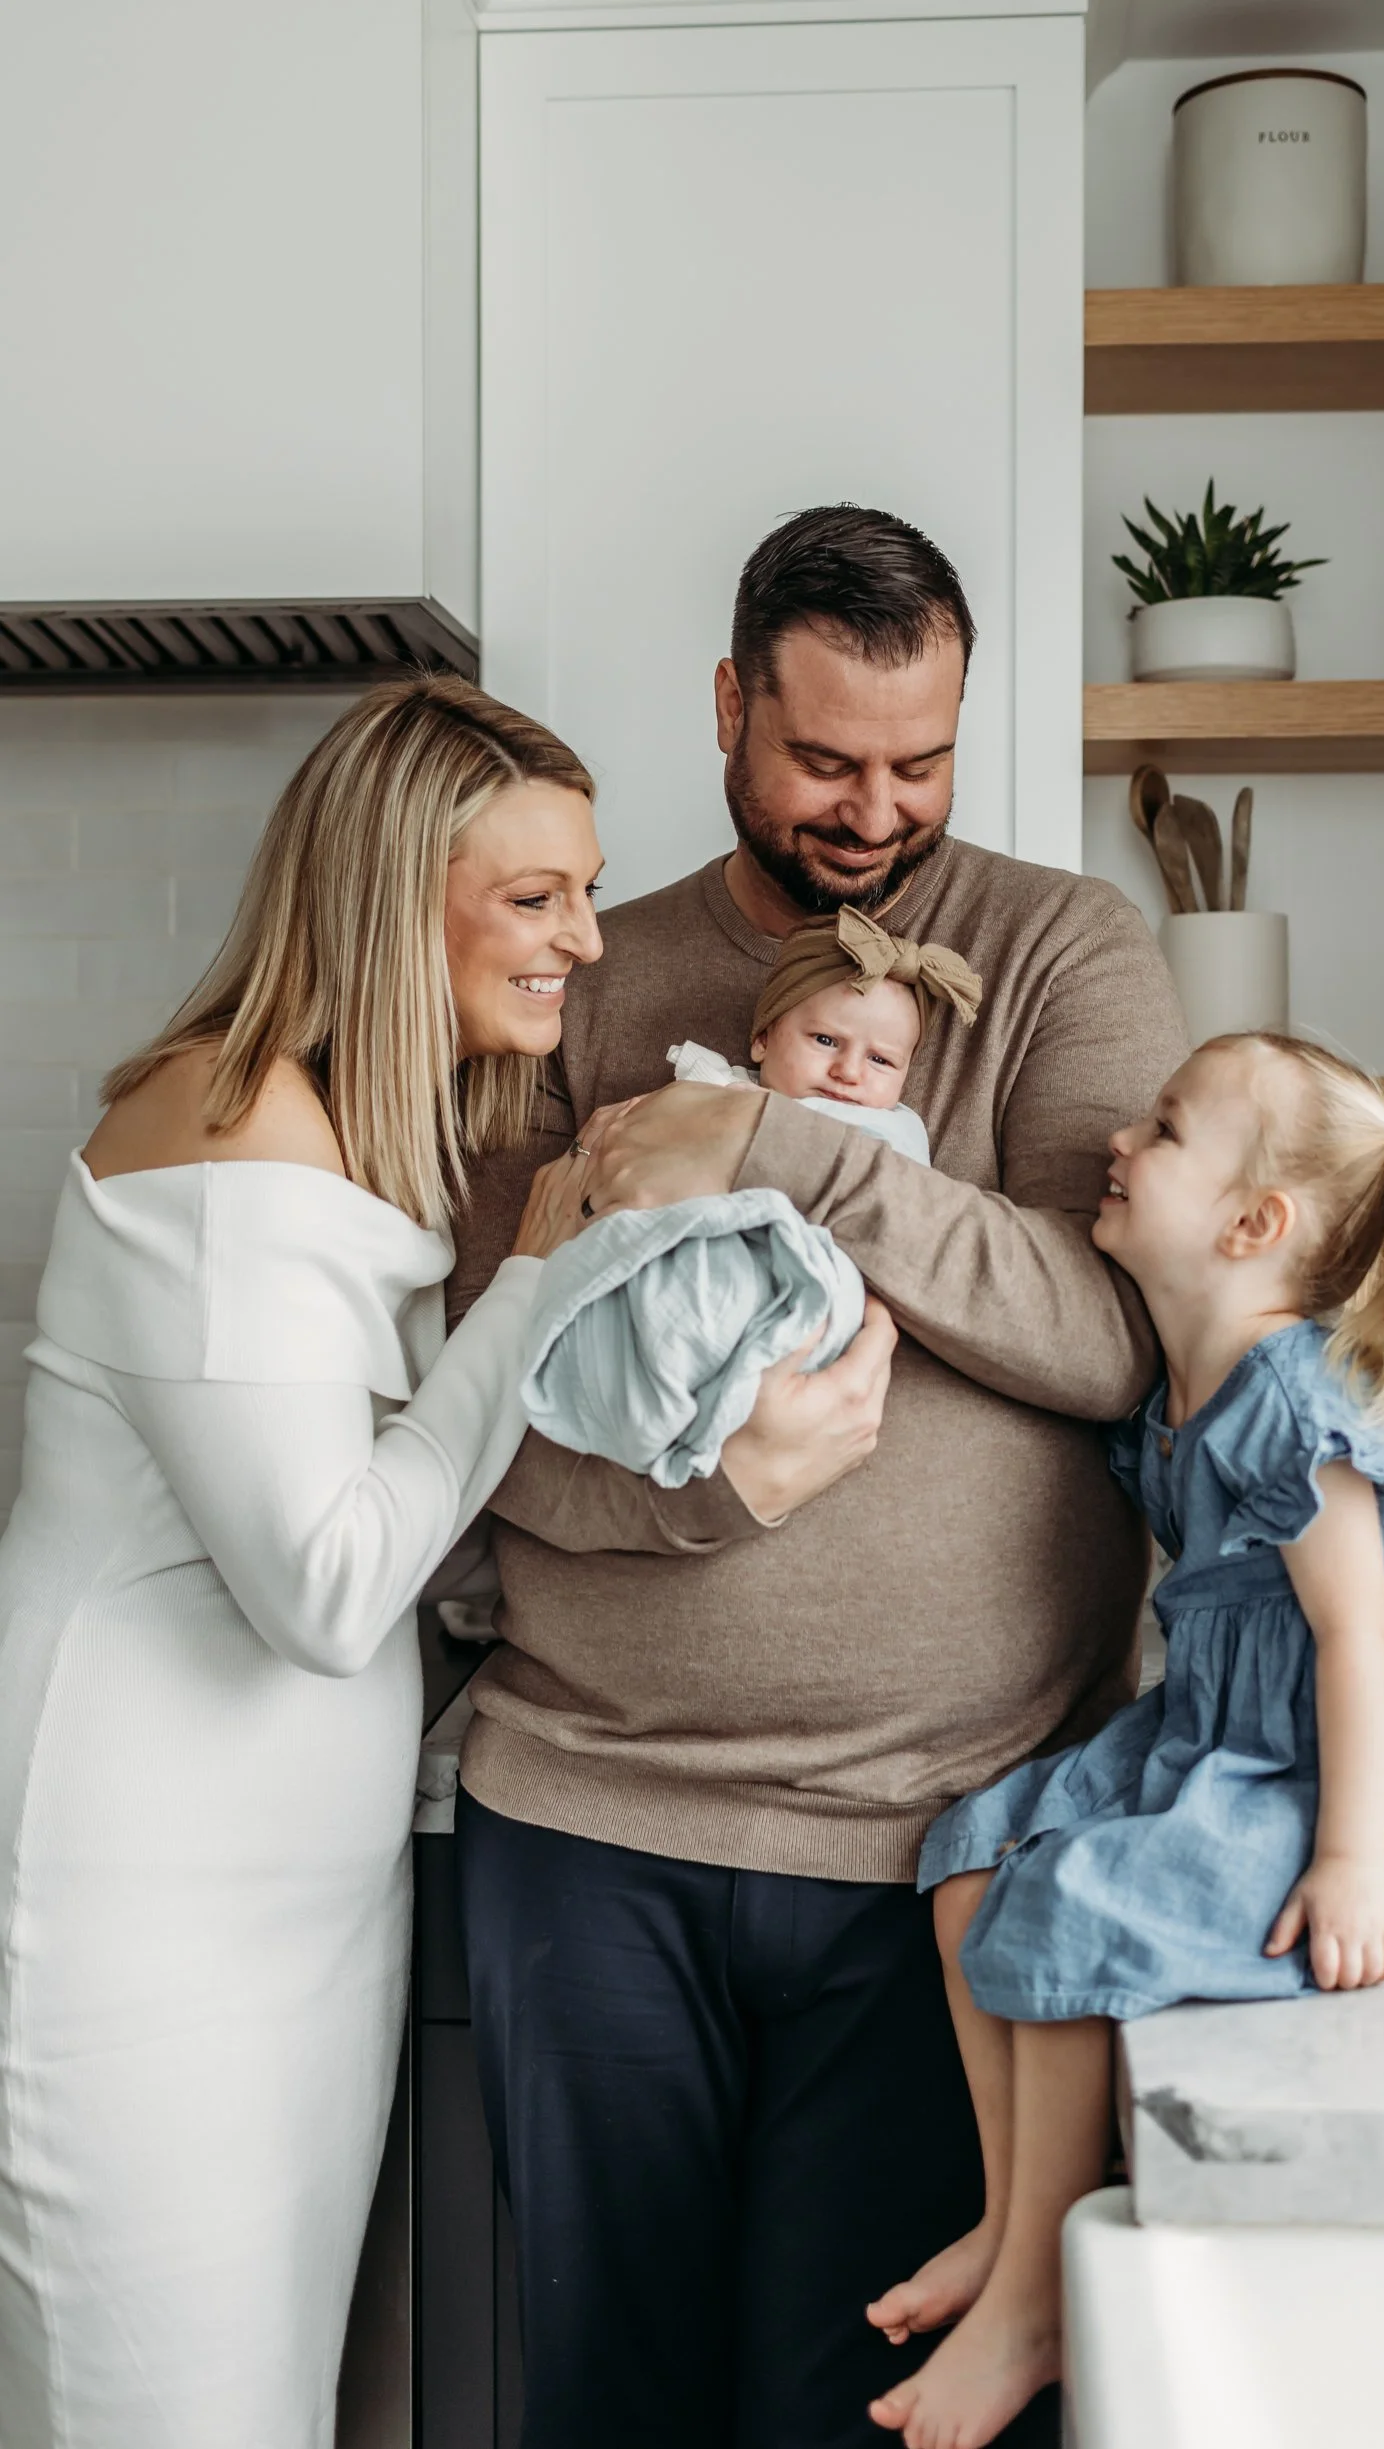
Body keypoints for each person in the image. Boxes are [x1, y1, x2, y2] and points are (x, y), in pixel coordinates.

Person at [0, 672, 881, 2449]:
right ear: (395, 892)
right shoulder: (227, 1133)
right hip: (132, 1911)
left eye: (587, 885)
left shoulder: (331, 1126)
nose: (582, 940)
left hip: (281, 1903)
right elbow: (327, 1583)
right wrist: (547, 1279)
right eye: (533, 896)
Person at [448, 503, 1187, 2448]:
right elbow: (473, 1382)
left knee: (864, 2416)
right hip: (591, 1822)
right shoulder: (577, 965)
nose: (875, 808)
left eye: (920, 761)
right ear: (727, 708)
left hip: (939, 1854)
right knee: (614, 2407)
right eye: (824, 760)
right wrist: (713, 1496)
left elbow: (1113, 1332)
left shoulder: (1057, 953)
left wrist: (779, 1139)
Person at [867, 1032, 1384, 2449]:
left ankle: (1033, 2298)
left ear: (1251, 1224)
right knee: (972, 1857)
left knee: (1078, 1899)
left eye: (1164, 1126)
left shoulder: (1289, 1395)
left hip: (1379, 1771)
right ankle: (1010, 2222)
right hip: (1240, 1724)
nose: (1121, 1141)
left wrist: (1352, 1863)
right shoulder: (1181, 1387)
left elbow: (1361, 1638)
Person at [671, 902, 984, 1163]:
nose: (847, 1072)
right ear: (763, 1039)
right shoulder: (716, 1084)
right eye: (825, 1040)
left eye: (880, 1059)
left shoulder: (892, 1131)